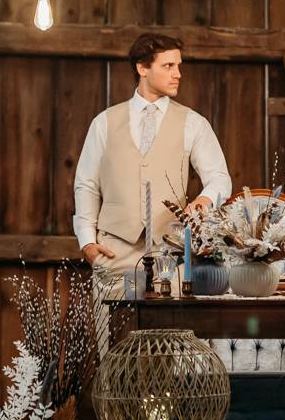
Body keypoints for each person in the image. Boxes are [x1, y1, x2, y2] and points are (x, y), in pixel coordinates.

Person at [74, 33, 232, 300]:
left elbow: (220, 178)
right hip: (113, 252)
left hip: (169, 253)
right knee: (113, 339)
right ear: (142, 68)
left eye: (179, 65)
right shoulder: (104, 122)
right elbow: (87, 184)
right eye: (168, 66)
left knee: (169, 337)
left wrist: (204, 199)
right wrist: (87, 242)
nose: (178, 74)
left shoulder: (193, 123)